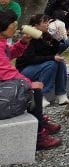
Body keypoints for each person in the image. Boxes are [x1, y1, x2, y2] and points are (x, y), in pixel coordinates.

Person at [0, 11, 62, 150]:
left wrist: (22, 42)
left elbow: (9, 54)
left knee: (32, 87)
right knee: (33, 89)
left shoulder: (2, 42)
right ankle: (39, 136)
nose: (15, 27)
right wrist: (28, 83)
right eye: (12, 25)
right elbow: (5, 71)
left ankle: (39, 121)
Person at [15, 14, 69, 106]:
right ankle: (40, 95)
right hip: (25, 70)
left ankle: (61, 94)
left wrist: (57, 39)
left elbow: (52, 52)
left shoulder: (46, 35)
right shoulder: (29, 37)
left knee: (59, 63)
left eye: (47, 22)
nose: (47, 24)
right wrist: (52, 58)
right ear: (36, 25)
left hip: (40, 66)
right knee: (51, 63)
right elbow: (31, 59)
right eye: (44, 22)